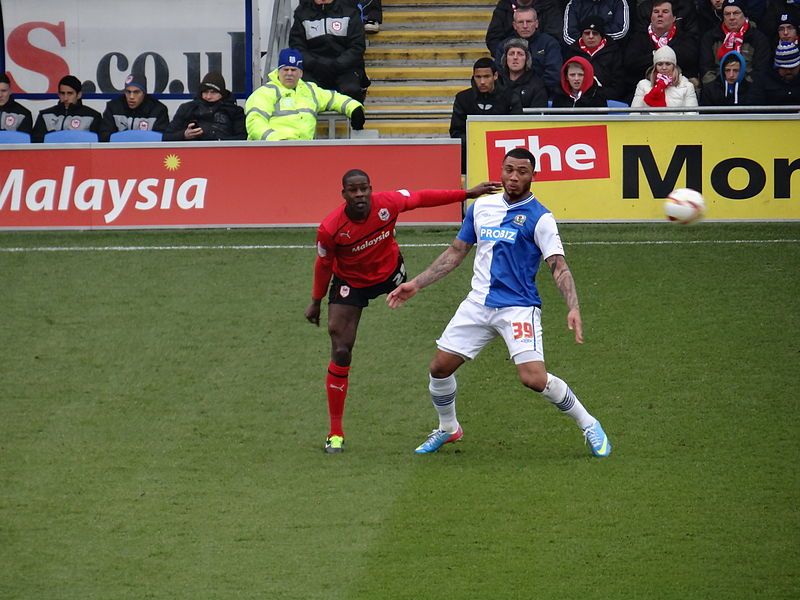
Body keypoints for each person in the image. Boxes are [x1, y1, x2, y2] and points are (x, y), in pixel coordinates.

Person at [386, 147, 612, 458]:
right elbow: (456, 252)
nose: (514, 177)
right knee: (439, 368)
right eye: (509, 169)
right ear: (501, 170)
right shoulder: (481, 208)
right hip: (478, 303)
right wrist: (417, 283)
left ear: (533, 175)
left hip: (517, 306)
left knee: (533, 379)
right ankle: (449, 428)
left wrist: (573, 306)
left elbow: (558, 266)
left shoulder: (541, 218)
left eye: (522, 171)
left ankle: (589, 424)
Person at [305, 170, 502, 453]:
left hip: (390, 274)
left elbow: (422, 198)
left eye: (364, 189)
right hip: (351, 282)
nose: (360, 195)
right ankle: (335, 432)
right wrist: (315, 300)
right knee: (340, 350)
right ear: (344, 194)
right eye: (353, 190)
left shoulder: (388, 203)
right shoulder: (330, 228)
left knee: (406, 289)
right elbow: (323, 265)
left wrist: (467, 194)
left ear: (371, 189)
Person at [245, 48, 365, 140]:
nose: (289, 73)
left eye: (293, 70)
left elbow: (334, 98)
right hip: (271, 153)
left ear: (301, 73)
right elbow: (255, 123)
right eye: (285, 69)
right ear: (278, 71)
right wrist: (278, 141)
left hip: (303, 152)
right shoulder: (264, 93)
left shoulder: (310, 90)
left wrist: (355, 108)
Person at [450, 57, 523, 174]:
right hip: (470, 158)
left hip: (504, 156)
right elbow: (456, 132)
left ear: (495, 76)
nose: (482, 82)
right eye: (478, 77)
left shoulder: (510, 97)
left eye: (486, 77)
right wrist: (477, 143)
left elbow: (518, 129)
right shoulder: (462, 98)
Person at [289, 0, 369, 103]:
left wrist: (336, 65)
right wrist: (314, 64)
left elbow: (357, 46)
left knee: (351, 91)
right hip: (313, 69)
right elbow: (296, 46)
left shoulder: (350, 12)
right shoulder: (302, 13)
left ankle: (356, 117)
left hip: (344, 68)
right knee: (304, 92)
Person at [624, 0, 700, 100]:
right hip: (644, 89)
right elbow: (631, 63)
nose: (660, 15)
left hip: (677, 89)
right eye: (656, 12)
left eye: (665, 12)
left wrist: (653, 57)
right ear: (651, 17)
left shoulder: (684, 37)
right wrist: (660, 56)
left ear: (673, 18)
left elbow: (690, 58)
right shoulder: (639, 38)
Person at [492, 7, 563, 96]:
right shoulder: (504, 46)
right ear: (514, 25)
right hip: (509, 97)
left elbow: (553, 74)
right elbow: (500, 74)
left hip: (542, 96)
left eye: (529, 21)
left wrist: (533, 91)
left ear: (536, 23)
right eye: (521, 22)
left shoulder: (549, 44)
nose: (525, 26)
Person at [699, 0, 772, 86]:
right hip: (718, 89)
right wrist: (717, 89)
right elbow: (706, 70)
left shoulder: (758, 38)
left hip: (749, 90)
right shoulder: (711, 37)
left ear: (744, 15)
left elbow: (760, 71)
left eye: (736, 13)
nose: (732, 17)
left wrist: (742, 90)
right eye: (727, 14)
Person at [163, 72, 246, 141]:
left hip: (225, 155)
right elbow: (166, 136)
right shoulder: (187, 108)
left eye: (213, 92)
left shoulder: (234, 111)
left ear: (222, 93)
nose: (208, 96)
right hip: (193, 155)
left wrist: (220, 141)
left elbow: (243, 138)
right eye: (205, 92)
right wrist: (184, 135)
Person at [563, 17, 627, 102]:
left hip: (606, 100)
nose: (590, 36)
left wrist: (596, 93)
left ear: (602, 35)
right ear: (581, 34)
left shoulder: (614, 51)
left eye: (595, 33)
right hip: (575, 99)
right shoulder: (572, 51)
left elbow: (619, 86)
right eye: (587, 33)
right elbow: (564, 81)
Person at [98, 72, 169, 141]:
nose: (131, 97)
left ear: (144, 93)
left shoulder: (158, 110)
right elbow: (104, 136)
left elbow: (162, 139)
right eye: (128, 92)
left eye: (136, 92)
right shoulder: (113, 107)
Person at [31, 75, 102, 143]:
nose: (65, 98)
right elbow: (36, 144)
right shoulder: (45, 115)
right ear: (58, 94)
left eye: (70, 93)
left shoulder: (93, 116)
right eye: (62, 93)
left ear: (79, 95)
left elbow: (98, 145)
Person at [631, 45, 699, 111]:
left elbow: (692, 115)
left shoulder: (687, 86)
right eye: (660, 64)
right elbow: (634, 114)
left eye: (668, 64)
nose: (664, 68)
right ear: (655, 66)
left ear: (674, 66)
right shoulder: (643, 85)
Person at [486, 0, 565, 52]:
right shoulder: (504, 6)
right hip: (510, 62)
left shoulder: (549, 5)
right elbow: (493, 39)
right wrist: (507, 55)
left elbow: (555, 38)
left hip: (541, 60)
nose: (525, 25)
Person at [498, 38, 550, 109]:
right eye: (511, 54)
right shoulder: (497, 83)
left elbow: (537, 117)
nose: (515, 57)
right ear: (505, 58)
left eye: (520, 54)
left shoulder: (537, 86)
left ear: (527, 59)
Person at [750, 41, 800, 105]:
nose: (788, 71)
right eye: (784, 68)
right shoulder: (763, 79)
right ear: (777, 67)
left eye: (792, 68)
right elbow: (754, 105)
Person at [562, 0, 631, 46]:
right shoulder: (574, 3)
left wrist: (597, 38)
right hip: (581, 51)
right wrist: (587, 42)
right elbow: (569, 35)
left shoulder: (618, 1)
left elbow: (621, 29)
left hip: (610, 49)